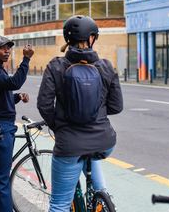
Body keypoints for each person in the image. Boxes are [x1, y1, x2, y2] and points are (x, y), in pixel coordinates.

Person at [37, 15, 123, 212]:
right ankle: (102, 198)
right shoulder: (106, 66)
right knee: (92, 157)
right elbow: (117, 106)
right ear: (91, 38)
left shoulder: (56, 66)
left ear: (68, 39)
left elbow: (44, 105)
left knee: (59, 205)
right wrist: (96, 112)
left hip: (69, 143)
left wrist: (58, 127)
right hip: (104, 141)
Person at [0, 35, 34, 212]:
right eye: (2, 48)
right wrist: (26, 59)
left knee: (0, 176)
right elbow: (15, 82)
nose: (7, 51)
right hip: (0, 127)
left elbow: (2, 98)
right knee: (1, 180)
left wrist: (18, 97)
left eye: (8, 48)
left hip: (3, 125)